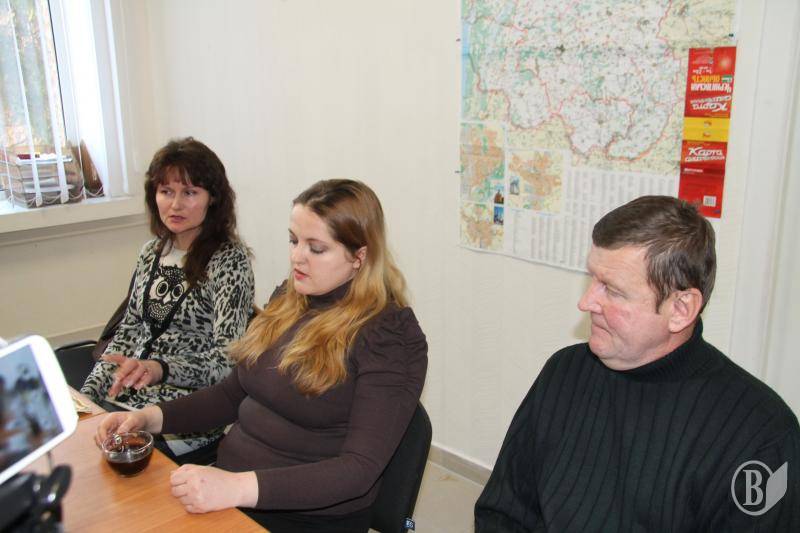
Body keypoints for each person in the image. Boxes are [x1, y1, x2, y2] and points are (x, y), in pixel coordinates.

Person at [95, 179, 428, 533]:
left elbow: (357, 471)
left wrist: (235, 487)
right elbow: (232, 394)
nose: (297, 257)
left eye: (316, 248)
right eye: (294, 240)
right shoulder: (291, 298)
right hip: (235, 496)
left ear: (359, 256)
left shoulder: (389, 338)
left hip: (306, 517)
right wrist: (148, 418)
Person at [475, 196, 800, 531]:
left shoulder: (762, 434)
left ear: (680, 309)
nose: (586, 302)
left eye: (612, 290)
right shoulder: (564, 372)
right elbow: (503, 510)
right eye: (592, 279)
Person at [81, 137, 254, 461]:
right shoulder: (151, 252)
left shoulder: (229, 261)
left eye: (189, 192)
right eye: (166, 191)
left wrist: (160, 368)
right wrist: (87, 399)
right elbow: (128, 332)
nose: (175, 205)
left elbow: (227, 362)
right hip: (124, 400)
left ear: (213, 199)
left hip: (182, 417)